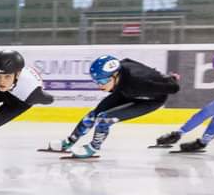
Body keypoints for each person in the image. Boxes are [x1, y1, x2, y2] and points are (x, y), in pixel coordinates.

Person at [51, 54, 179, 159]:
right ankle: (69, 142)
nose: (100, 86)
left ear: (115, 76)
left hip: (150, 100)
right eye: (97, 82)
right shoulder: (120, 70)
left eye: (102, 82)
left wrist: (170, 78)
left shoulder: (140, 83)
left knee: (105, 119)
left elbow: (174, 88)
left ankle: (93, 148)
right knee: (93, 115)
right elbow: (129, 60)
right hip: (124, 90)